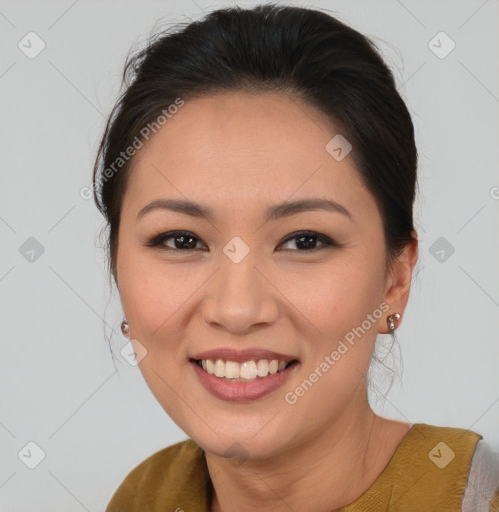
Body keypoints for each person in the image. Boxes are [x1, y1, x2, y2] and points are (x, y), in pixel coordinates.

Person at [91, 3, 499, 511]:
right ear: (116, 267)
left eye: (305, 241)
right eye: (182, 240)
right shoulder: (146, 497)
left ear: (396, 278)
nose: (237, 310)